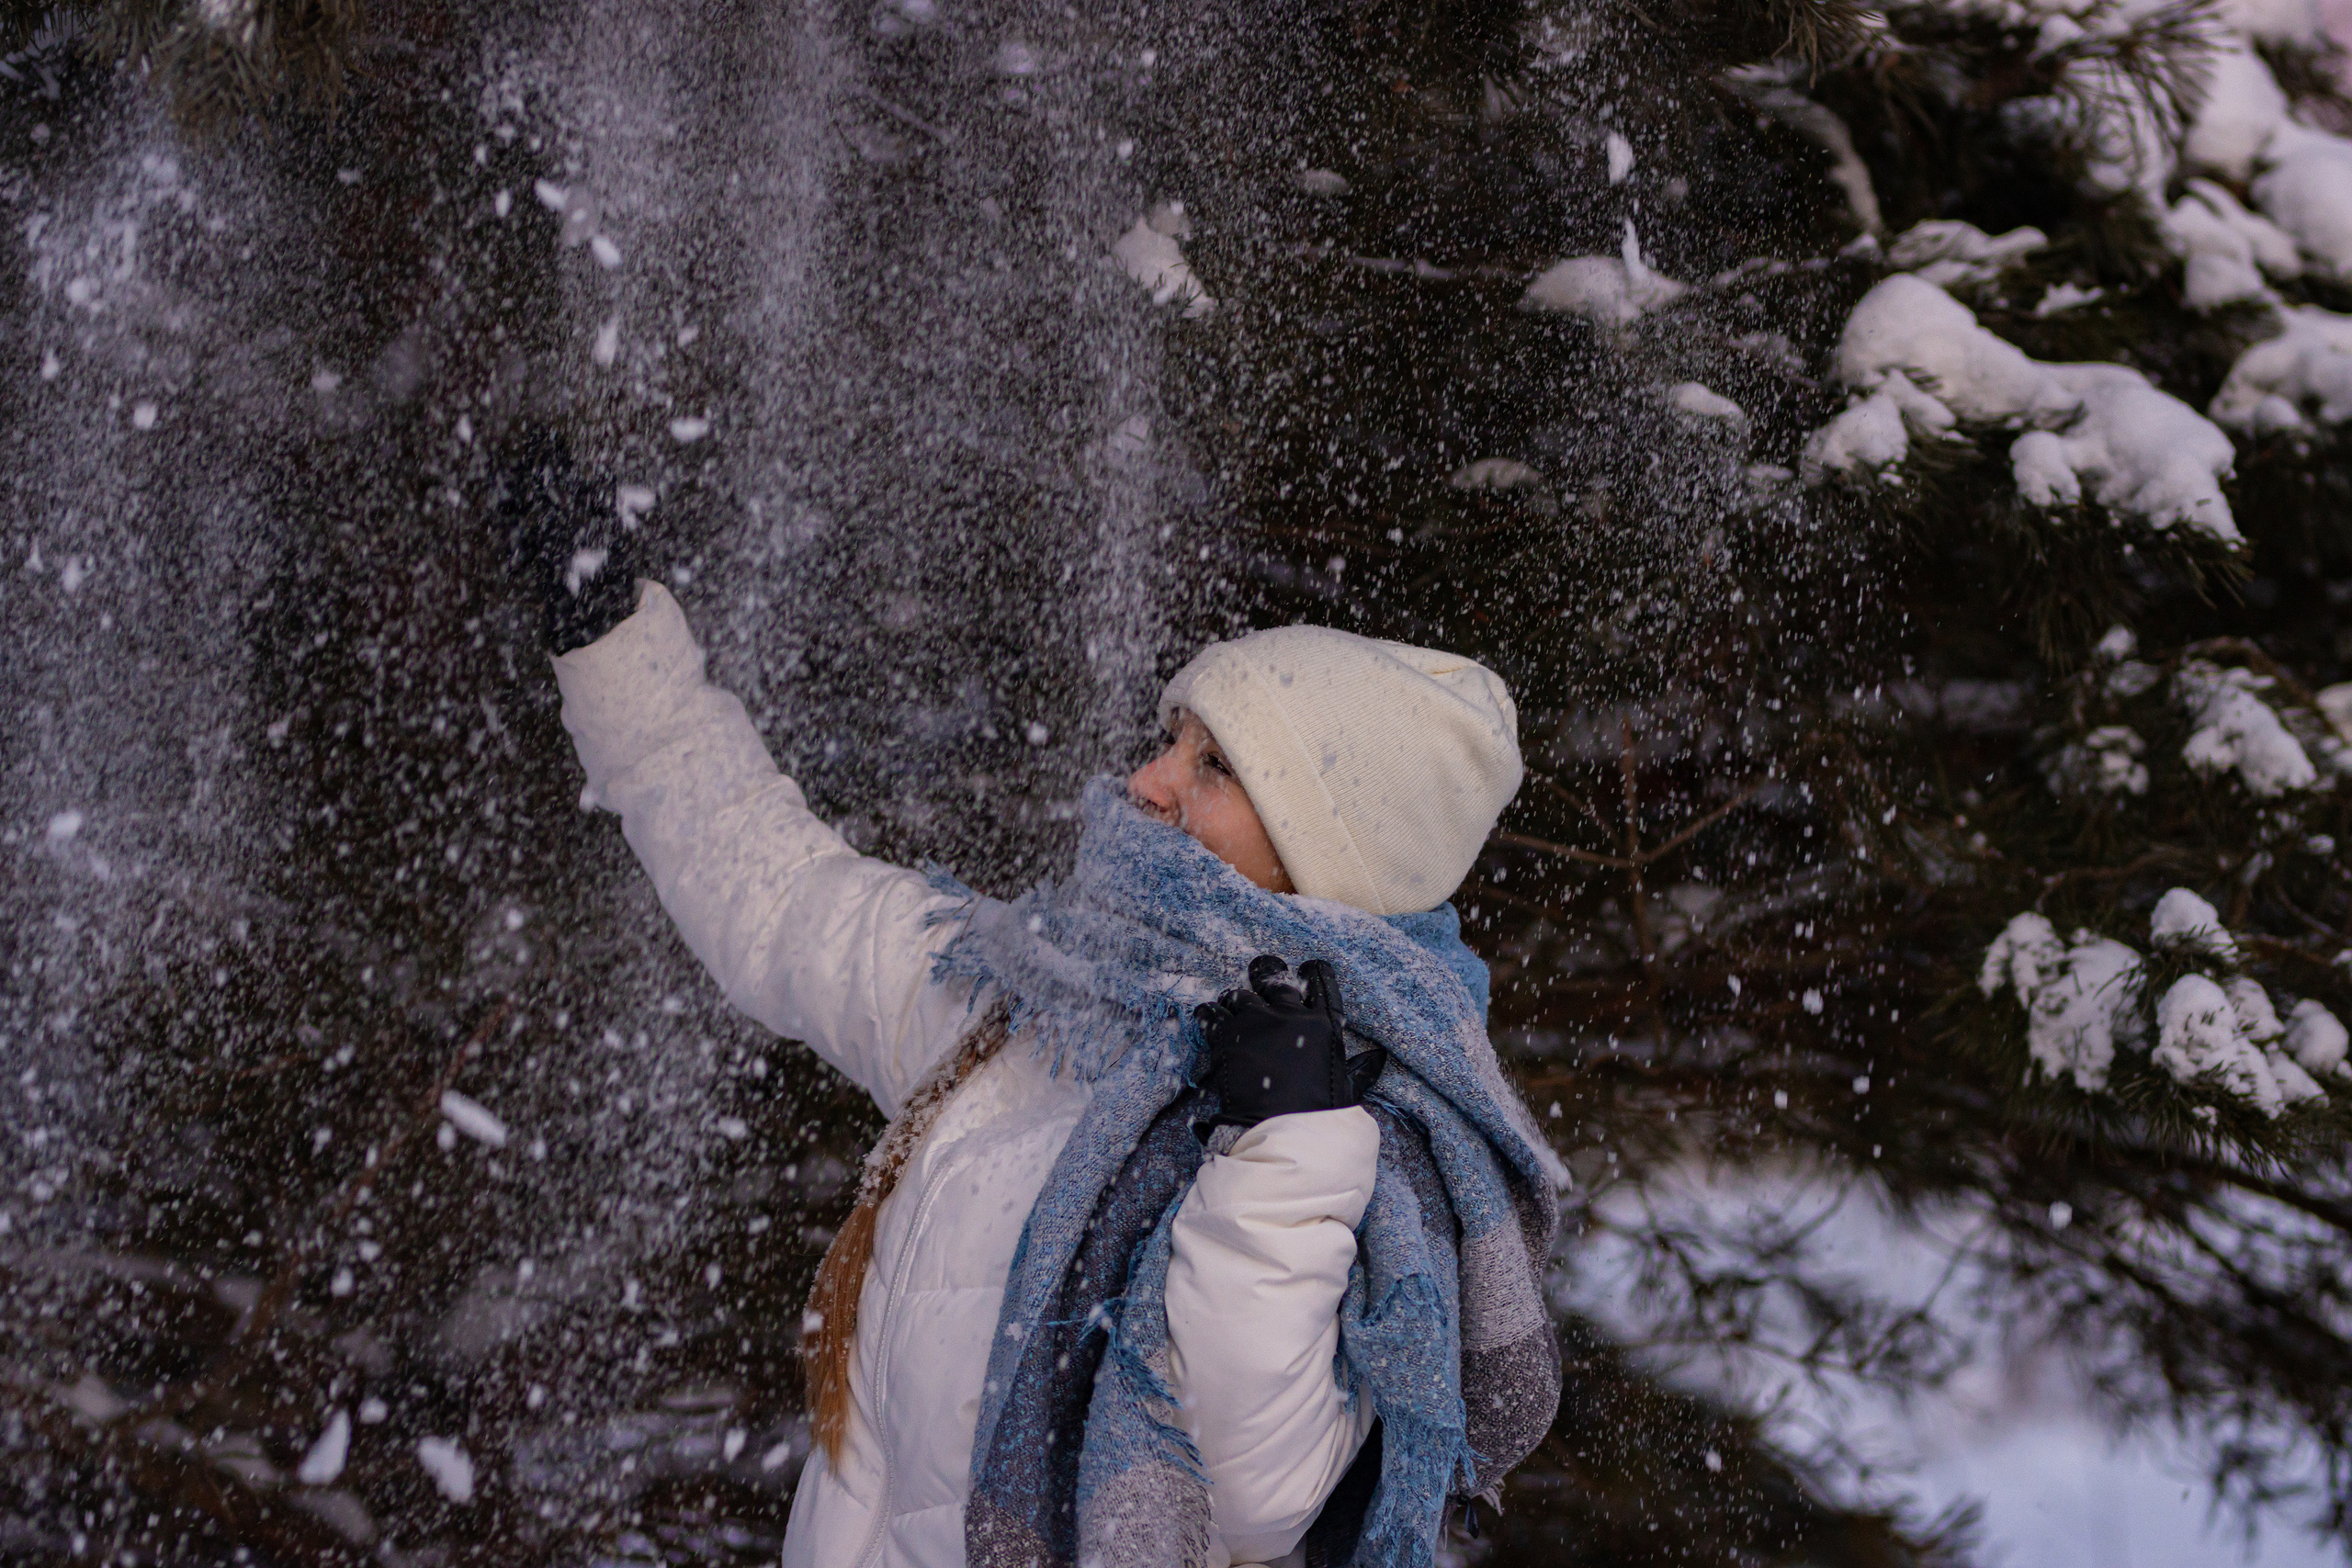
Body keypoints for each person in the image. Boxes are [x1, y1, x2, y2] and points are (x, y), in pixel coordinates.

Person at [514, 456, 1562, 1568]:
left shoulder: (1376, 1135)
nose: (1148, 781)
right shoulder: (1027, 1005)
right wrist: (613, 644)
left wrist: (1286, 1146)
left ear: (1326, 856)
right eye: (1170, 740)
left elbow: (1240, 1491)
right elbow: (776, 895)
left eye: (1213, 766)